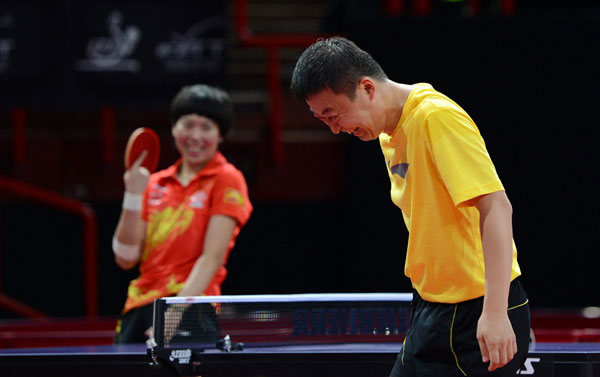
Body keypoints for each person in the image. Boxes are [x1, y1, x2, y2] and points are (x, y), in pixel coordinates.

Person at [290, 37, 530, 376]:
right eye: (322, 120)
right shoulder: (388, 134)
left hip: (478, 309)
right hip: (431, 308)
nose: (334, 129)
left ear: (368, 88)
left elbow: (497, 207)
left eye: (334, 115)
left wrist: (494, 312)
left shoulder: (436, 117)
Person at [112, 84, 253, 344]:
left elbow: (211, 258)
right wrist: (133, 194)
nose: (195, 136)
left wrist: (175, 310)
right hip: (139, 306)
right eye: (187, 125)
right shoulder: (154, 183)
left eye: (206, 127)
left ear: (221, 135)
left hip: (192, 306)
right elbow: (125, 257)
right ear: (174, 128)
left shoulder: (227, 178)